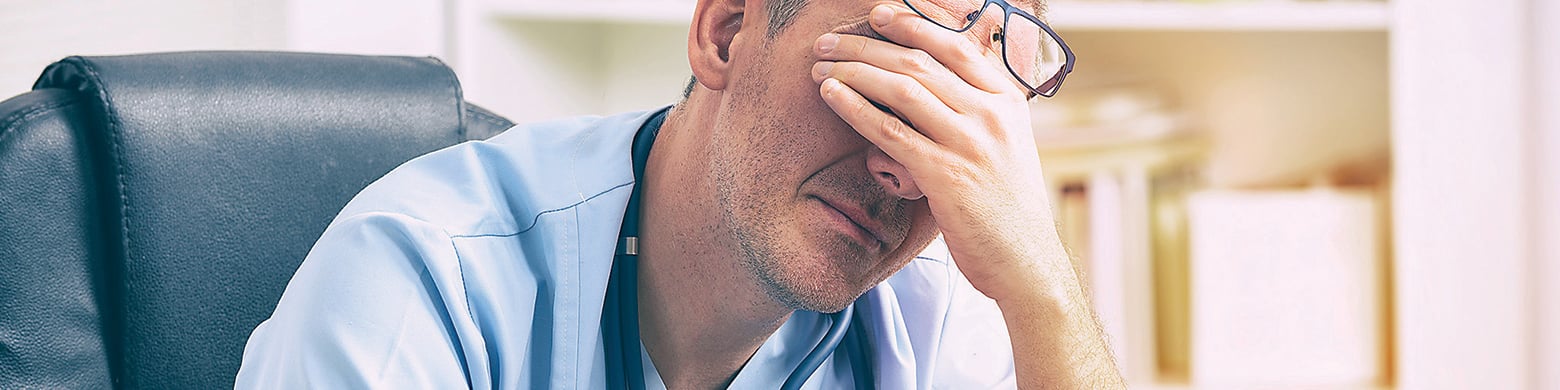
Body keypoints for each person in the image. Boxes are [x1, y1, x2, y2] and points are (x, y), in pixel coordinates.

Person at [235, 0, 1122, 388]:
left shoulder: (931, 324)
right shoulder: (424, 284)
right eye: (882, 86)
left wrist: (1039, 280)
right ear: (727, 31)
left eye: (952, 125)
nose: (902, 168)